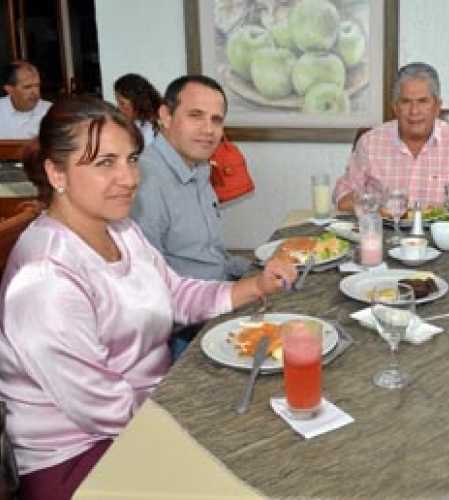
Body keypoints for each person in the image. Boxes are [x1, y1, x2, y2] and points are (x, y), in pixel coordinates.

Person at [0, 96, 296, 500]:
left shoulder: (119, 229)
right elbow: (104, 408)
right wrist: (205, 413)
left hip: (147, 412)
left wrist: (257, 286)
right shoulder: (45, 280)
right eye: (105, 163)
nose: (129, 178)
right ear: (57, 172)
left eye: (132, 159)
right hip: (80, 458)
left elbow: (175, 295)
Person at [333, 62, 449, 223]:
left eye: (422, 101)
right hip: (384, 236)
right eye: (406, 102)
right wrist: (372, 204)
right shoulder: (370, 143)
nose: (414, 111)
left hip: (439, 241)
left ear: (437, 106)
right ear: (395, 107)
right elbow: (343, 193)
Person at [131, 74, 251, 281]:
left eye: (216, 120)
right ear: (166, 116)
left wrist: (260, 268)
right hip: (195, 309)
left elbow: (211, 257)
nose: (208, 130)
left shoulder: (200, 167)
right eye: (196, 115)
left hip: (220, 289)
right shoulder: (144, 181)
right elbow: (148, 283)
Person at [0, 61, 52, 139]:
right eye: (27, 87)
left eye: (37, 85)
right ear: (9, 89)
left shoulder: (51, 111)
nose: (35, 92)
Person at [114, 73, 162, 145]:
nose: (118, 108)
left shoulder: (150, 128)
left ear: (137, 102)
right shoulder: (137, 124)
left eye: (122, 103)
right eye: (118, 103)